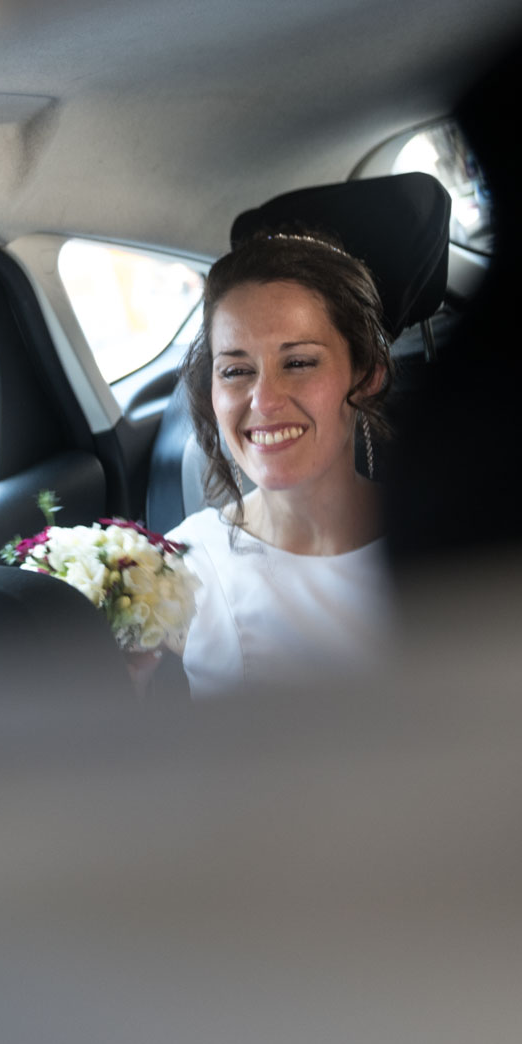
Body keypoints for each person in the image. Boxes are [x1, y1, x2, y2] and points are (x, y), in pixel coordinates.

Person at [165, 230, 394, 696]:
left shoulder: (455, 546)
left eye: (299, 363)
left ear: (367, 375)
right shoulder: (178, 568)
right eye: (236, 371)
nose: (264, 401)